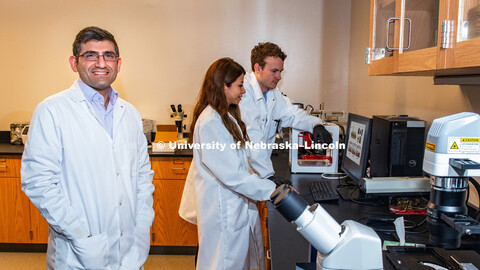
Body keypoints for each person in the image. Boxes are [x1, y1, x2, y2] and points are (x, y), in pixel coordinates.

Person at [21, 26, 154, 270]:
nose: (101, 62)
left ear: (118, 63)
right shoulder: (52, 110)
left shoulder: (130, 113)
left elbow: (143, 176)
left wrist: (143, 224)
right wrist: (80, 235)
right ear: (74, 63)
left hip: (128, 248)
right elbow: (38, 182)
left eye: (108, 55)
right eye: (91, 55)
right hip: (77, 251)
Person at [178, 58, 277, 270]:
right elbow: (234, 176)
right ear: (224, 85)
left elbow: (243, 158)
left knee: (236, 262)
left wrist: (269, 178)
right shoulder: (211, 122)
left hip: (235, 205)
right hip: (224, 210)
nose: (243, 91)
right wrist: (273, 190)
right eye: (240, 85)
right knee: (222, 263)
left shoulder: (227, 116)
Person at [239, 42, 333, 179]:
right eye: (274, 71)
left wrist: (316, 124)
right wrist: (269, 175)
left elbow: (293, 113)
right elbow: (253, 138)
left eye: (280, 71)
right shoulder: (244, 92)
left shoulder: (273, 94)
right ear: (258, 68)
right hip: (241, 172)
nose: (279, 77)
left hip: (257, 171)